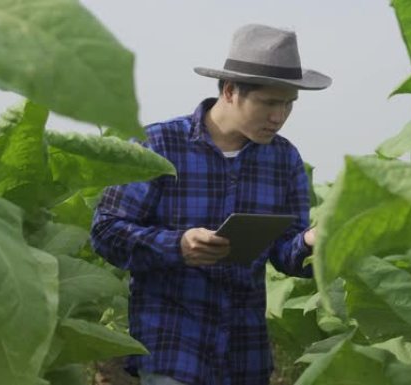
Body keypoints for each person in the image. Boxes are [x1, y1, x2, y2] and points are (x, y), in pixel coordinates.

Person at [90, 23, 331, 385]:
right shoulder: (157, 145)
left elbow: (286, 252)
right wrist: (179, 245)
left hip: (244, 352)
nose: (279, 116)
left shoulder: (284, 160)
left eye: (287, 104)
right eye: (268, 102)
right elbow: (106, 231)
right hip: (173, 344)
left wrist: (312, 242)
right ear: (231, 91)